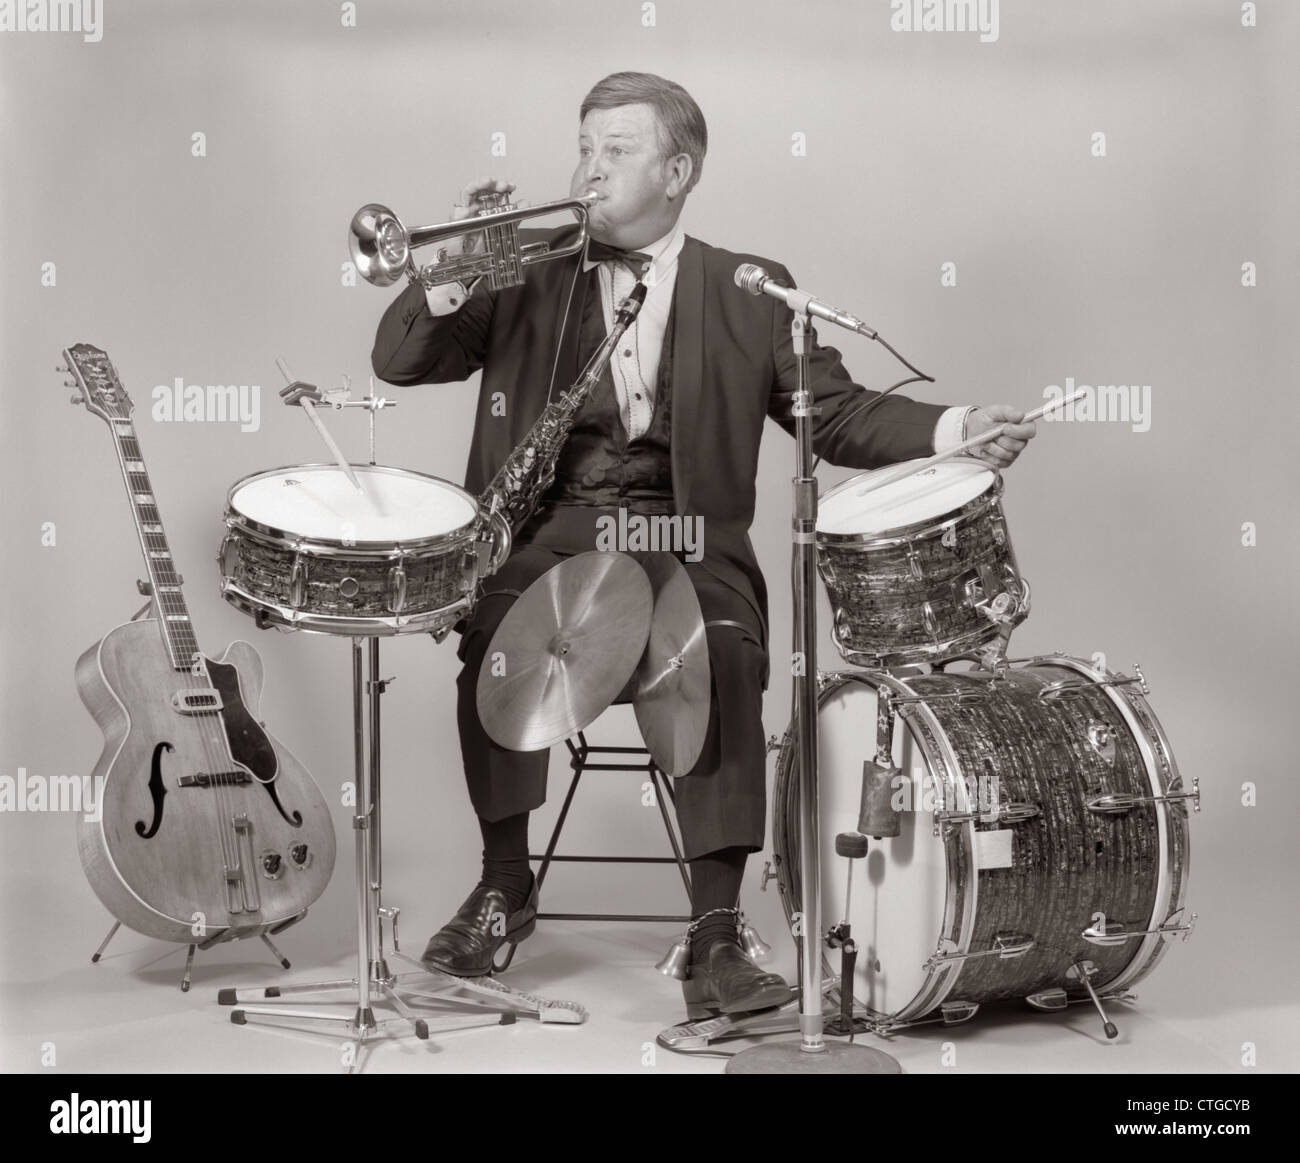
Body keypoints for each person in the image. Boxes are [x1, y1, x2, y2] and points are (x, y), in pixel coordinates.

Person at [371, 71, 1035, 1018]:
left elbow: (836, 415)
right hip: (555, 528)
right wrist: (443, 278)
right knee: (496, 624)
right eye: (585, 146)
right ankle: (503, 885)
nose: (589, 168)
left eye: (618, 149)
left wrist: (956, 425)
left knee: (720, 646)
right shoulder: (524, 272)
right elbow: (400, 362)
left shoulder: (748, 289)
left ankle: (716, 928)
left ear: (678, 172)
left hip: (682, 532)